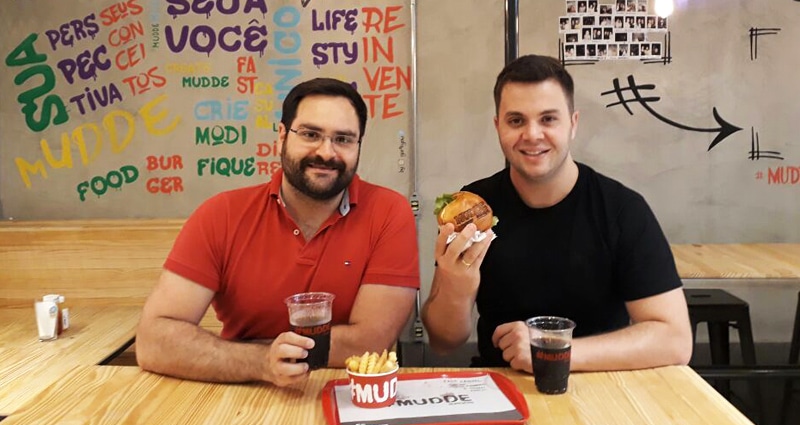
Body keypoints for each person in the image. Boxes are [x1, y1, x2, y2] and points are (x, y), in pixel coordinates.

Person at [136, 78, 420, 386]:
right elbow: (153, 341)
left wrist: (247, 350)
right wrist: (261, 362)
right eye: (311, 134)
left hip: (350, 393)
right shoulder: (221, 215)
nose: (326, 152)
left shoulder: (389, 212)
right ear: (282, 136)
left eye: (343, 139)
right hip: (241, 393)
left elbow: (370, 343)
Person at [422, 55, 692, 373]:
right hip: (501, 388)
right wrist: (456, 283)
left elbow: (675, 339)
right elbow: (443, 342)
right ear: (498, 127)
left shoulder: (621, 210)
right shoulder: (474, 208)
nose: (533, 134)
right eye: (516, 121)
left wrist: (551, 351)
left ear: (573, 124)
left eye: (548, 119)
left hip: (602, 386)